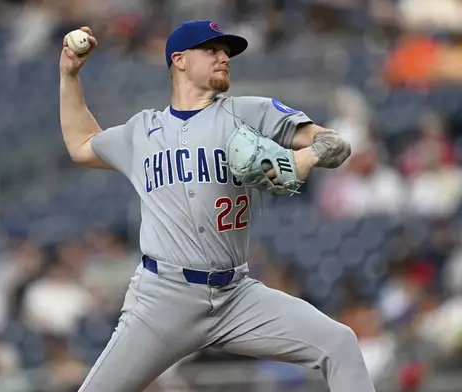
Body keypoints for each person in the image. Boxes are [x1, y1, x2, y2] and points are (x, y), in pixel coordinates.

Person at [59, 20, 375, 392]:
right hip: (164, 298)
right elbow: (82, 145)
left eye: (227, 52)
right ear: (179, 59)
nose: (224, 57)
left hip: (236, 295)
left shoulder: (249, 112)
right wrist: (70, 76)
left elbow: (335, 143)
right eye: (211, 50)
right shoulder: (141, 131)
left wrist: (303, 160)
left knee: (339, 344)